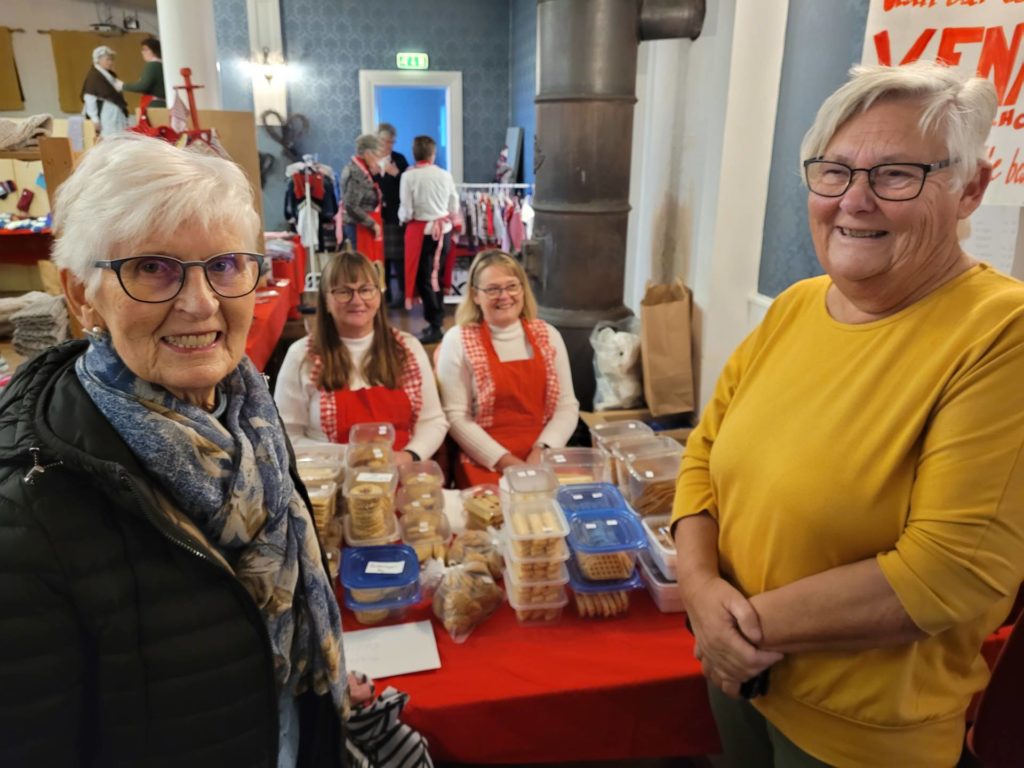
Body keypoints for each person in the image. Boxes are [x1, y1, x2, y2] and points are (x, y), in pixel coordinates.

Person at [672, 61, 1024, 768]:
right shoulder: (800, 304)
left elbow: (947, 573)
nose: (853, 200)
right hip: (741, 685)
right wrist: (701, 590)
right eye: (834, 171)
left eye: (897, 174)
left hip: (861, 735)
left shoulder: (1001, 333)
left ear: (970, 190)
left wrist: (728, 630)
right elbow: (702, 456)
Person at [0, 133, 351, 766]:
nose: (201, 303)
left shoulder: (251, 422)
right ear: (83, 297)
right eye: (152, 268)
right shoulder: (30, 511)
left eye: (225, 265)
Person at [274, 251, 447, 465]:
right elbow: (287, 436)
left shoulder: (408, 348)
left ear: (378, 295)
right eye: (343, 292)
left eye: (365, 290)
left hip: (401, 472)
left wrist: (408, 456)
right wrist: (350, 456)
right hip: (331, 478)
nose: (357, 300)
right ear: (325, 301)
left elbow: (433, 421)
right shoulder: (301, 356)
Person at [435, 249, 579, 487]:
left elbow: (567, 405)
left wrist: (543, 450)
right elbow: (456, 416)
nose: (504, 296)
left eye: (512, 286)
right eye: (492, 289)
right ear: (475, 295)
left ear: (523, 289)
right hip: (484, 460)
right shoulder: (458, 340)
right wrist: (505, 461)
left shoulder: (548, 335)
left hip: (543, 453)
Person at [399, 135, 459, 344]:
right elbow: (453, 206)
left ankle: (436, 323)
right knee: (439, 276)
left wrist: (403, 219)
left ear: (414, 154)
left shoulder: (409, 177)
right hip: (445, 231)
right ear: (433, 154)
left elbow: (406, 211)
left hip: (422, 232)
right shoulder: (445, 175)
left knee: (423, 278)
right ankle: (437, 321)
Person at [377, 122, 409, 307]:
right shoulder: (371, 159)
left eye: (390, 142)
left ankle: (403, 295)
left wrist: (396, 173)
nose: (387, 145)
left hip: (395, 216)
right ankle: (384, 294)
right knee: (381, 259)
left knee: (398, 258)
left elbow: (408, 185)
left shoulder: (400, 159)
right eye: (383, 141)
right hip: (377, 216)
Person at [340, 133, 384, 264]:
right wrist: (372, 224)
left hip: (361, 224)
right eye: (377, 155)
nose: (378, 160)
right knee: (362, 266)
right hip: (359, 226)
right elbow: (351, 205)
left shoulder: (361, 169)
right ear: (368, 153)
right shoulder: (357, 173)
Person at [81, 45, 128, 137]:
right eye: (107, 59)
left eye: (111, 59)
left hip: (113, 114)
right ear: (98, 60)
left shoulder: (108, 75)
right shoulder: (94, 77)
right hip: (105, 115)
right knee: (108, 139)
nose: (110, 62)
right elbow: (90, 98)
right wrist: (94, 119)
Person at [120, 36, 166, 109]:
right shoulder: (162, 65)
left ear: (154, 51)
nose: (142, 52)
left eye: (145, 50)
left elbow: (143, 86)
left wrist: (122, 86)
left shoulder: (152, 65)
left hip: (154, 105)